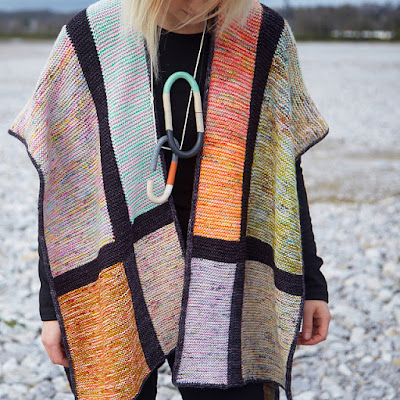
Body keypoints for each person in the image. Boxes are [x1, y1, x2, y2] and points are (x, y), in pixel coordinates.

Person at [9, 0, 331, 399]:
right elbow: (66, 186)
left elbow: (282, 174)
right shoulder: (91, 38)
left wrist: (312, 283)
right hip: (117, 275)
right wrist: (53, 307)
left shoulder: (263, 35)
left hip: (230, 278)